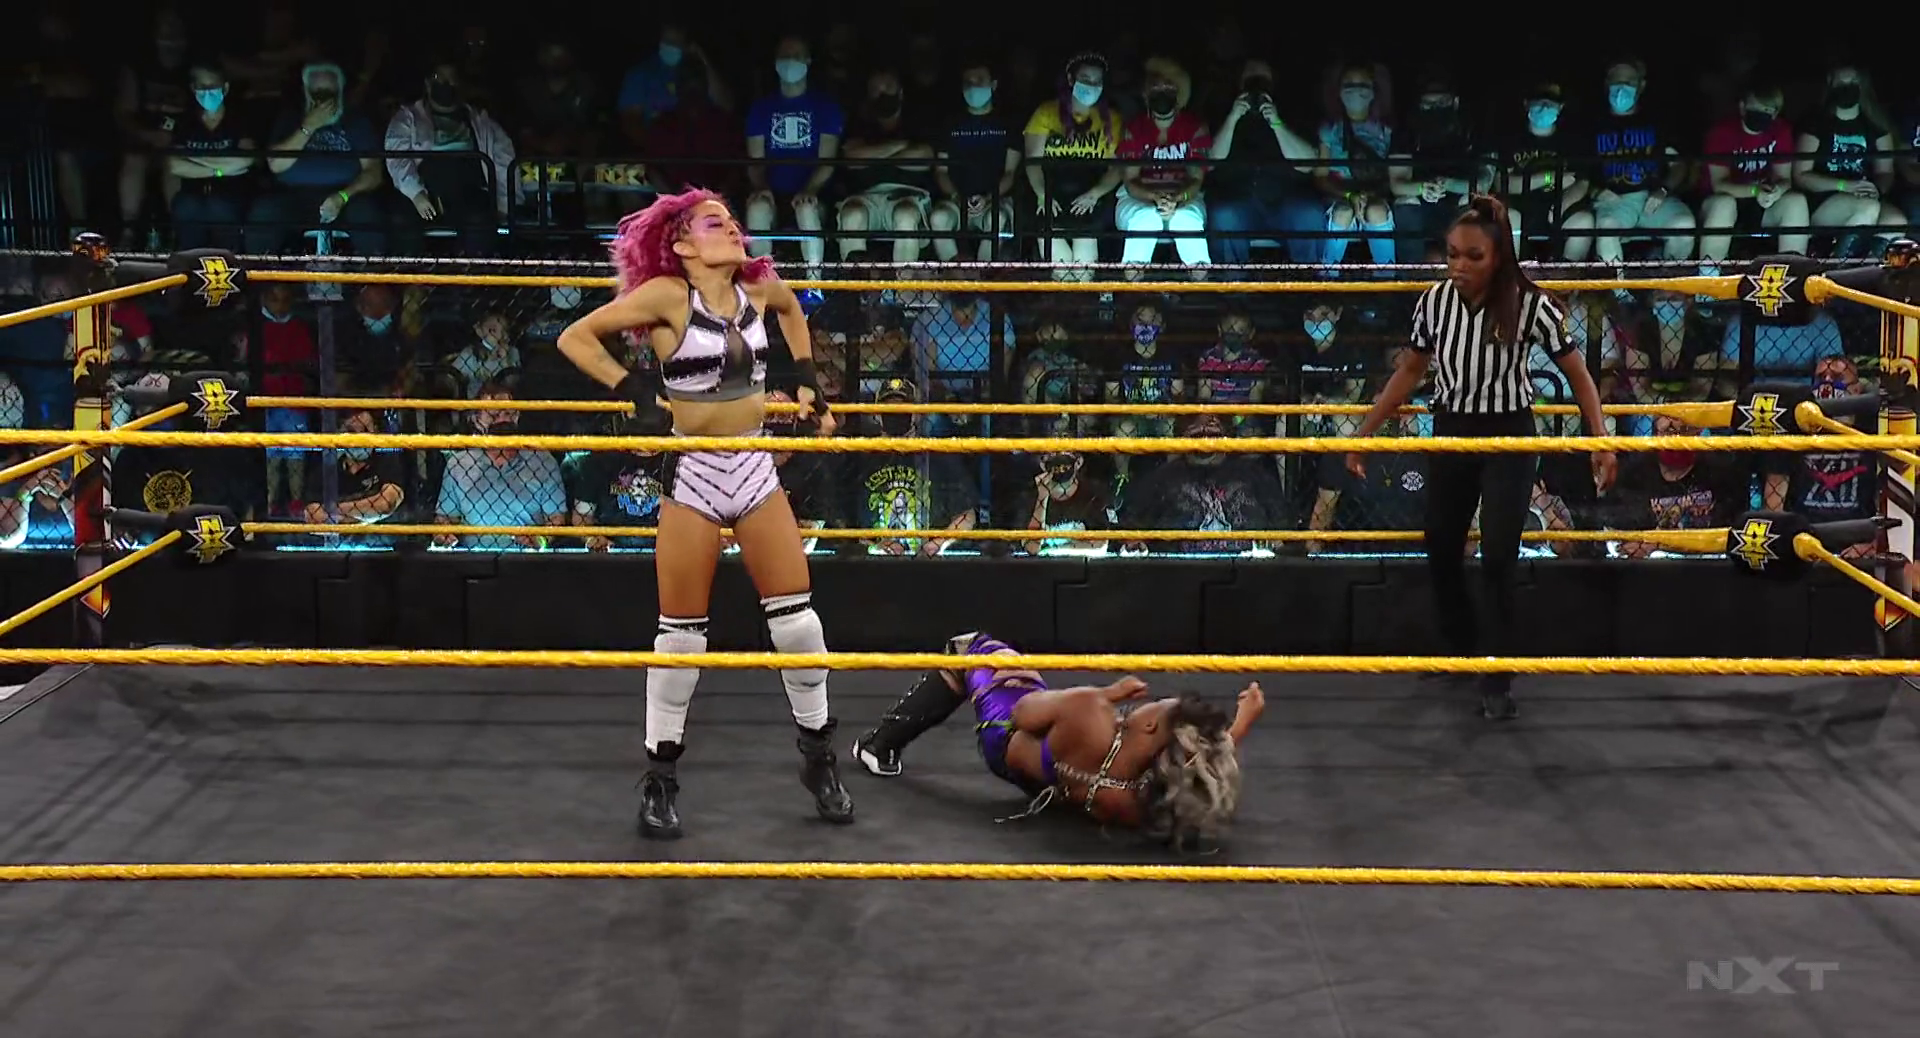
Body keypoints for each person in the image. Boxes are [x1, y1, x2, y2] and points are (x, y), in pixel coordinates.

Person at [556, 187, 852, 840]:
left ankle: (819, 759)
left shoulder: (759, 287)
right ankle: (660, 780)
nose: (734, 229)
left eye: (734, 221)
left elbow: (793, 309)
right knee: (682, 635)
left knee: (798, 624)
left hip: (753, 462)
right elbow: (575, 337)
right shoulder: (668, 296)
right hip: (694, 470)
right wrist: (633, 387)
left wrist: (807, 377)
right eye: (715, 223)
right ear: (684, 244)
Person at [1345, 195, 1615, 721]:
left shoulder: (1530, 305)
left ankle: (1497, 674)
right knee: (1441, 543)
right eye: (1452, 255)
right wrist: (1364, 432)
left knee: (1497, 554)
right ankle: (1458, 646)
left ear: (1497, 258)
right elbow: (1410, 370)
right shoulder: (1434, 302)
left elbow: (1578, 373)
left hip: (1509, 435)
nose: (1459, 266)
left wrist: (1599, 438)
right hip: (1453, 429)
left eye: (1472, 256)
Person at [851, 631, 1262, 849]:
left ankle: (878, 745)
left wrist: (1102, 695)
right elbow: (1194, 769)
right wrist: (1238, 727)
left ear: (1153, 727)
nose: (1150, 702)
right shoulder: (1143, 801)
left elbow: (1023, 713)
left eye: (1158, 705)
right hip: (1052, 784)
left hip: (1005, 741)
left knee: (969, 648)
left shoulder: (1091, 715)